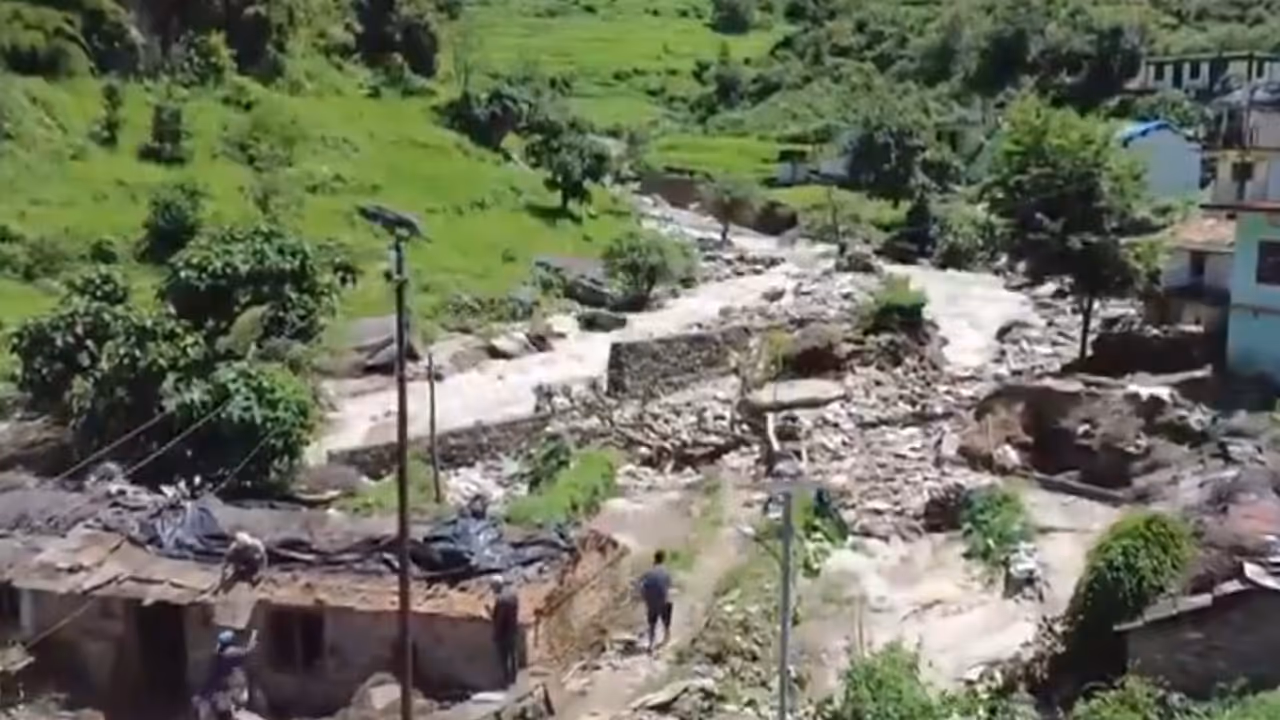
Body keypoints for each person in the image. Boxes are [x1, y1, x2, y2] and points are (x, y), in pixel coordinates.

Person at [200, 629, 257, 720]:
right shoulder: (231, 654)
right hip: (226, 691)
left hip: (222, 691)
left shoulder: (218, 656)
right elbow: (247, 651)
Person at [638, 550, 673, 653]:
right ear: (663, 559)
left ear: (654, 559)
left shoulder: (649, 572)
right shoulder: (666, 572)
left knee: (652, 623)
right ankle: (666, 638)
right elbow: (669, 585)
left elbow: (640, 583)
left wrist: (644, 596)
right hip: (663, 600)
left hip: (651, 601)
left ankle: (651, 643)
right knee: (666, 620)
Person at [490, 578, 520, 687]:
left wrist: (496, 633)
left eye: (493, 587)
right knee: (513, 655)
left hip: (504, 633)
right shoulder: (513, 595)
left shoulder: (501, 600)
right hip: (513, 630)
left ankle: (506, 681)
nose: (493, 590)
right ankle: (514, 679)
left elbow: (500, 620)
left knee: (504, 657)